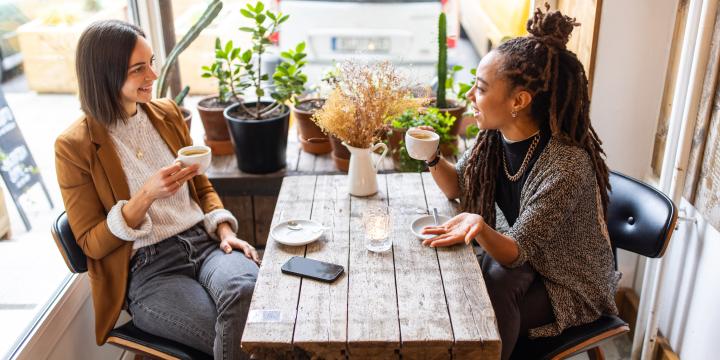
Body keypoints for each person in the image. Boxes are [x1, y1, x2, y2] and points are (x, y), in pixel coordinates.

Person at [417, 6, 620, 360]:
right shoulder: (496, 137)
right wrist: (431, 155)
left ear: (519, 101)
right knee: (472, 278)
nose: (470, 97)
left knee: (480, 303)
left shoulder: (565, 166)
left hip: (569, 281)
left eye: (480, 89)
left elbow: (515, 252)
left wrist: (479, 225)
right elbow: (458, 187)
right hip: (527, 260)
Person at [55, 20, 259, 359]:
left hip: (205, 244)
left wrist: (224, 230)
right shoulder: (74, 146)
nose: (152, 75)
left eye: (151, 62)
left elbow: (200, 184)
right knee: (243, 335)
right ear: (105, 74)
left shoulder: (166, 113)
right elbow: (91, 242)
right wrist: (145, 196)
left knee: (247, 292)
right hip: (149, 270)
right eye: (138, 69)